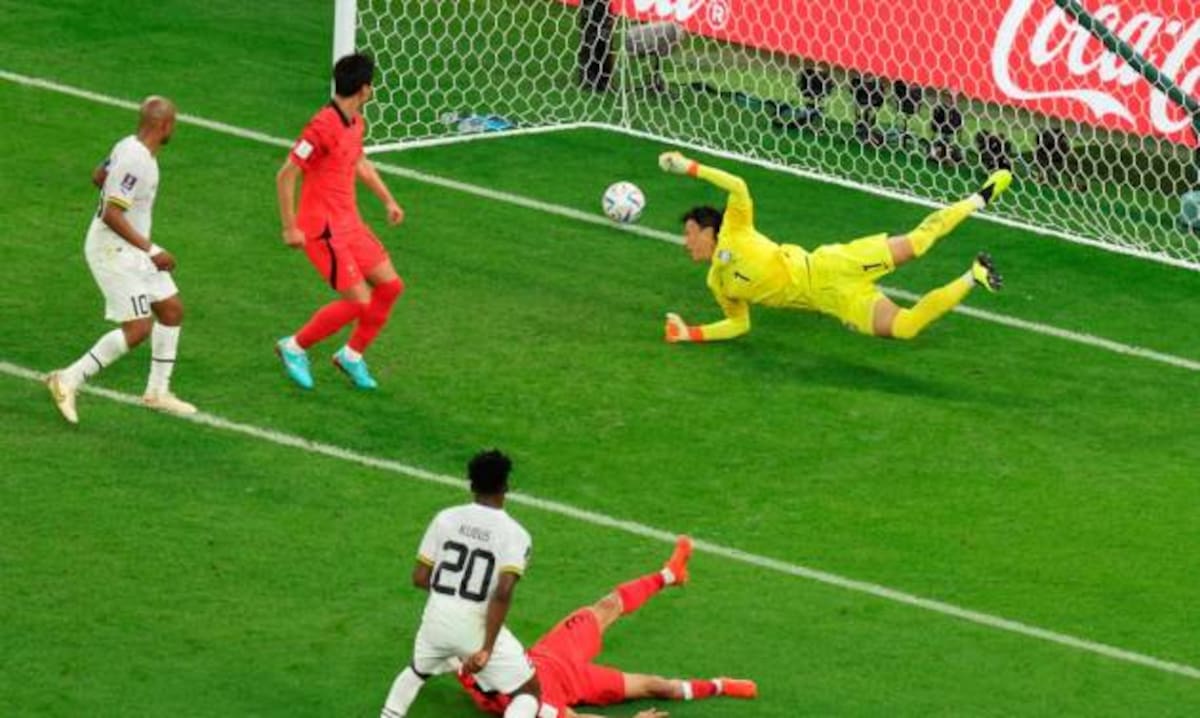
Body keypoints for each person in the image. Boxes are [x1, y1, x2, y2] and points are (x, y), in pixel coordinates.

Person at [657, 151, 1011, 343]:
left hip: (831, 264)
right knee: (905, 327)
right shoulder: (717, 283)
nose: (686, 243)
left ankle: (979, 199)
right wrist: (690, 333)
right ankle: (974, 274)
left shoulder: (736, 227)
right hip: (835, 301)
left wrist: (691, 167)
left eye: (690, 233)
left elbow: (738, 185)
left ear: (709, 231)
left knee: (916, 243)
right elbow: (739, 325)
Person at [456, 535, 757, 718]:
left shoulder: (470, 670)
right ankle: (720, 685)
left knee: (607, 605)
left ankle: (670, 574)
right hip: (577, 681)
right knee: (657, 686)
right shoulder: (537, 707)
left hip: (553, 651)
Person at [46, 96, 196, 424]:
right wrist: (152, 250)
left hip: (133, 249)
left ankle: (157, 392)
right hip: (113, 250)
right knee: (138, 327)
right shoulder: (137, 161)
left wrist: (116, 188)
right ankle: (67, 379)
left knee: (171, 310)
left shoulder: (127, 145)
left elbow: (98, 176)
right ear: (165, 125)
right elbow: (111, 213)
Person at [275, 52, 406, 390]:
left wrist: (388, 200)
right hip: (323, 230)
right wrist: (290, 227)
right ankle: (294, 347)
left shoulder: (355, 122)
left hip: (350, 224)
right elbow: (286, 174)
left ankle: (351, 355)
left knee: (390, 286)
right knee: (358, 301)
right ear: (364, 89)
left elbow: (359, 161)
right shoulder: (321, 128)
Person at [380, 450, 541, 718]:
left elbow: (420, 578)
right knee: (528, 692)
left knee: (417, 670)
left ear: (472, 485)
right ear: (505, 486)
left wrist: (451, 594)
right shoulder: (516, 533)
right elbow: (503, 592)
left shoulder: (445, 518)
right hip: (475, 626)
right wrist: (487, 648)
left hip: (436, 620)